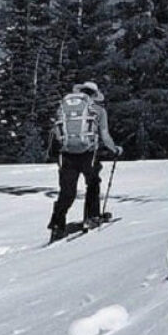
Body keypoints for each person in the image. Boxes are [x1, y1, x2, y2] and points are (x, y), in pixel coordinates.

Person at [47, 81, 123, 243]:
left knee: (67, 191)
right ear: (95, 94)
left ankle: (57, 224)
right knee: (93, 183)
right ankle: (92, 217)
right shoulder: (98, 110)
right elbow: (104, 135)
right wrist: (114, 149)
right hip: (88, 153)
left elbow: (56, 132)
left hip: (66, 154)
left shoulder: (63, 108)